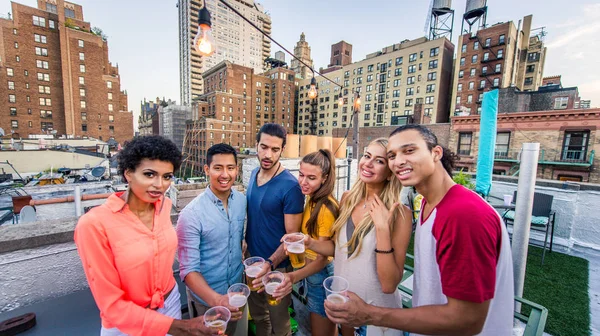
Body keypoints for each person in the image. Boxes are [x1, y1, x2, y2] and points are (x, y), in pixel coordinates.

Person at [325, 124, 514, 336]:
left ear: (436, 152)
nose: (399, 161)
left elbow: (467, 320)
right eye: (392, 155)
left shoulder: (464, 214)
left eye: (409, 150)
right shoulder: (428, 205)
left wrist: (369, 314)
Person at [74, 135, 218, 336]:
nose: (160, 185)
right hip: (126, 324)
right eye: (149, 174)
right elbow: (112, 305)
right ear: (128, 173)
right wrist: (184, 327)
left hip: (171, 304)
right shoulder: (94, 225)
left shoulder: (164, 206)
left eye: (167, 176)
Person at [291, 138, 413, 336]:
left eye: (379, 161)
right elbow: (338, 250)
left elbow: (390, 284)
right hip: (344, 308)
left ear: (390, 173)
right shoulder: (347, 198)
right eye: (367, 156)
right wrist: (309, 242)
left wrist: (382, 229)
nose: (368, 163)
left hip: (376, 317)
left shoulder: (400, 213)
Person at [176, 143, 247, 335]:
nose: (225, 174)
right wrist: (216, 300)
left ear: (237, 170)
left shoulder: (241, 201)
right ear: (207, 170)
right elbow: (188, 270)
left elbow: (239, 241)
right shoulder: (191, 214)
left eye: (230, 168)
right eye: (218, 168)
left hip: (235, 292)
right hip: (207, 301)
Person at [245, 123, 305, 336]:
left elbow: (292, 239)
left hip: (276, 267)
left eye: (275, 149)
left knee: (280, 325)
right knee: (259, 316)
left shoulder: (291, 187)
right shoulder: (253, 174)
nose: (268, 154)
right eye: (264, 147)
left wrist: (271, 264)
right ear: (256, 146)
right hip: (253, 262)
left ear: (282, 150)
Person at [287, 149, 339, 336]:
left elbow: (323, 259)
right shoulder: (312, 199)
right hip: (312, 275)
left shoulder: (325, 208)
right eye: (301, 175)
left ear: (324, 178)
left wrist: (294, 276)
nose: (303, 181)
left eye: (311, 177)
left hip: (321, 275)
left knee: (321, 331)